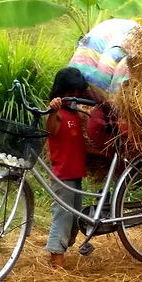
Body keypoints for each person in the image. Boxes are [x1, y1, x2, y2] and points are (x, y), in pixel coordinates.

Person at [45, 67, 90, 268]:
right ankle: (57, 264)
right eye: (72, 93)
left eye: (78, 94)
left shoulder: (75, 114)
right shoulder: (58, 114)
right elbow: (50, 130)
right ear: (61, 92)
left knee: (74, 220)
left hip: (75, 175)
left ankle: (58, 253)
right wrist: (53, 110)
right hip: (63, 177)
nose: (76, 97)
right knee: (63, 218)